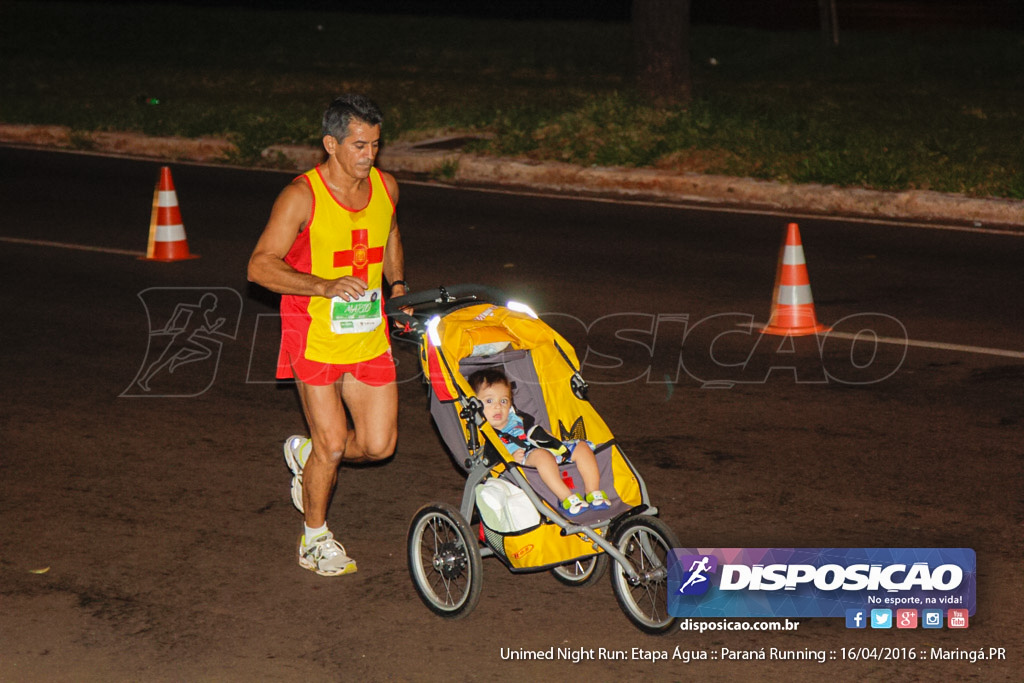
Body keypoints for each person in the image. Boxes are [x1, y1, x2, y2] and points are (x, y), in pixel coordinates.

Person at [247, 94, 407, 577]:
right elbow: (258, 267)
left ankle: (307, 455)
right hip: (312, 330)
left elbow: (390, 233)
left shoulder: (387, 187)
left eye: (375, 145)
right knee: (334, 444)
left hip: (367, 332)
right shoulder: (302, 196)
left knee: (380, 445)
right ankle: (314, 537)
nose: (368, 155)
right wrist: (322, 286)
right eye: (358, 145)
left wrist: (397, 286)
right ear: (330, 144)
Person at [466, 368, 611, 516]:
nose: (498, 406)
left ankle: (593, 492)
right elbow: (488, 462)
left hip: (543, 448)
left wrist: (548, 437)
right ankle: (567, 498)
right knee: (542, 456)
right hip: (526, 458)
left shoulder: (518, 418)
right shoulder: (485, 432)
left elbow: (534, 430)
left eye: (504, 401)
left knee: (582, 447)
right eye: (489, 401)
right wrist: (508, 460)